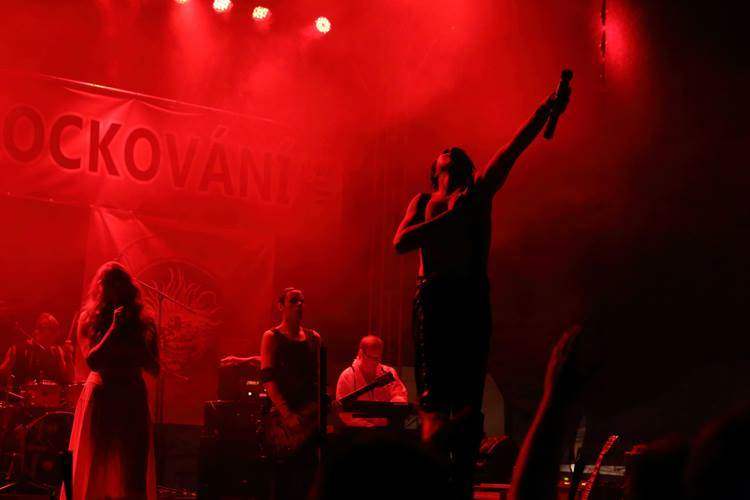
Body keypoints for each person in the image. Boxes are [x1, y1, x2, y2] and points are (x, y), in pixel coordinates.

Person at [393, 84, 571, 498]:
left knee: (468, 399)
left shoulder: (476, 192)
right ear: (434, 167)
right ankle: (434, 482)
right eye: (444, 150)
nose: (450, 149)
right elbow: (400, 242)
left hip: (469, 297)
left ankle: (461, 483)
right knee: (433, 398)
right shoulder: (422, 200)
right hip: (432, 298)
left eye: (457, 151)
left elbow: (513, 150)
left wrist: (546, 108)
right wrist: (450, 221)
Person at [65, 261, 159, 500]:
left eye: (119, 285)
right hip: (102, 393)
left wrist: (137, 337)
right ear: (101, 288)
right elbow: (93, 360)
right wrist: (114, 329)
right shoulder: (88, 318)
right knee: (95, 466)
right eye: (109, 285)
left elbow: (154, 367)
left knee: (133, 469)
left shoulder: (144, 321)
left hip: (132, 395)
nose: (115, 291)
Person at [260, 287, 322, 500]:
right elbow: (268, 378)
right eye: (293, 300)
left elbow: (318, 378)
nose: (299, 305)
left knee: (307, 479)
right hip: (283, 421)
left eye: (302, 301)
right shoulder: (272, 336)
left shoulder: (315, 338)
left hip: (309, 419)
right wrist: (286, 413)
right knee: (282, 480)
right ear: (281, 306)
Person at [335, 335, 408, 427]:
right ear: (361, 353)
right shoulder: (347, 376)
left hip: (387, 428)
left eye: (378, 358)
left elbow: (400, 395)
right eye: (371, 358)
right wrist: (368, 426)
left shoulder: (388, 373)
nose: (375, 362)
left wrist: (393, 409)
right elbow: (344, 412)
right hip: (359, 431)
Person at [0, 312, 73, 388]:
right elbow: (2, 372)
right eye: (48, 336)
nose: (54, 337)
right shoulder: (17, 350)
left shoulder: (57, 352)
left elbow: (69, 380)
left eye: (55, 334)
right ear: (37, 331)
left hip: (52, 394)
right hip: (21, 394)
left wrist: (69, 357)